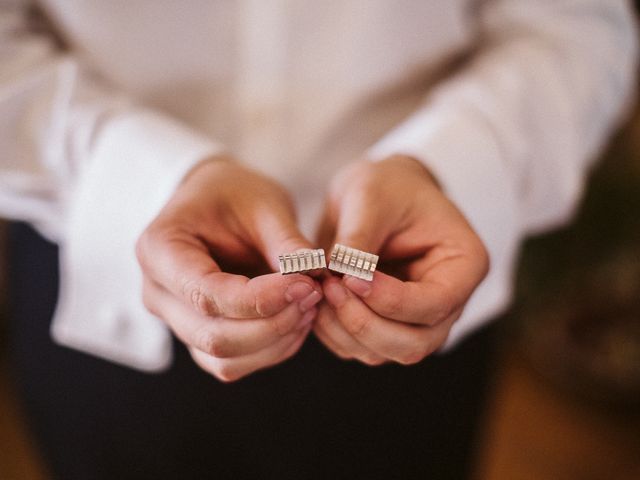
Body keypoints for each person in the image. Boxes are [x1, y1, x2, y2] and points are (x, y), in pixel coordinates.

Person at [1, 1, 637, 479]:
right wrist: (147, 176)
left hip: (416, 292)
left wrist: (443, 164)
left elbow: (576, 24)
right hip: (109, 281)